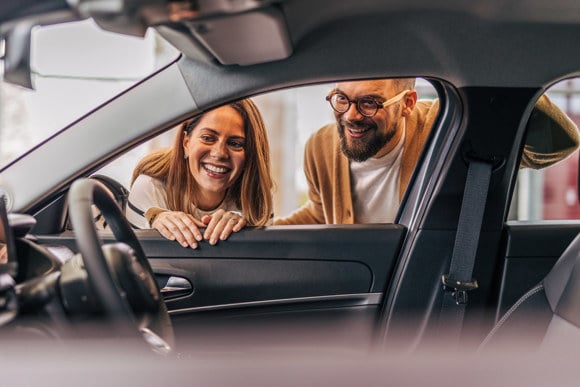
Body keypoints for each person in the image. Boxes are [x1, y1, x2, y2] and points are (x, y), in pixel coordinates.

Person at [275, 78, 580, 225]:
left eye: (370, 103)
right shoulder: (320, 146)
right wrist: (250, 229)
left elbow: (560, 143)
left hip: (432, 288)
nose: (351, 116)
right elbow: (319, 212)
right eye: (342, 98)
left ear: (407, 103)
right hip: (365, 288)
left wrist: (503, 67)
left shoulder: (448, 127)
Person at [127, 99, 273, 248]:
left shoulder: (255, 199)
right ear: (186, 143)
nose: (219, 154)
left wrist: (244, 231)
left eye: (235, 144)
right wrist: (157, 219)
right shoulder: (150, 187)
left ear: (250, 155)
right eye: (208, 138)